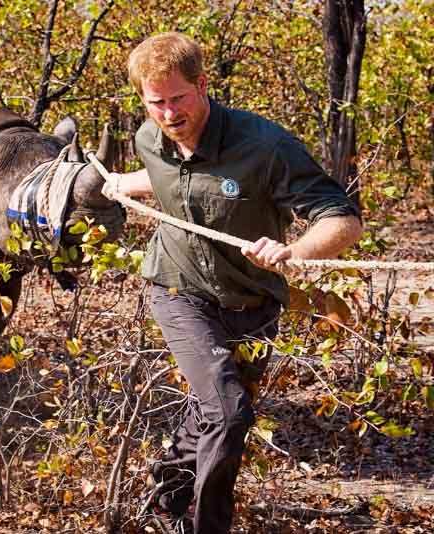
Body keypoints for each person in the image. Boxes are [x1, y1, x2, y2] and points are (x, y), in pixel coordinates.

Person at [103, 33, 362, 533]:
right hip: (178, 288)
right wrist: (119, 184)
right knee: (228, 411)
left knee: (216, 411)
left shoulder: (265, 147)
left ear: (202, 85)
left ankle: (167, 492)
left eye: (178, 98)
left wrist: (297, 250)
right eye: (156, 102)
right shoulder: (147, 139)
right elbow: (167, 176)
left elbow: (343, 219)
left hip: (253, 300)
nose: (169, 113)